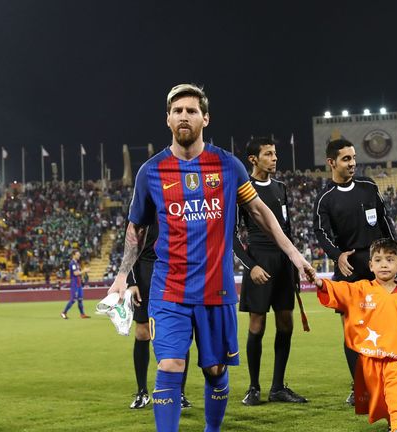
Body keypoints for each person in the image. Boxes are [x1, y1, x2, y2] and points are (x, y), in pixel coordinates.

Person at [107, 84, 315, 432]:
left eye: (191, 110)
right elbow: (136, 228)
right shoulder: (151, 171)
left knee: (215, 371)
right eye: (177, 111)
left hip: (215, 291)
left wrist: (294, 254)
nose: (183, 116)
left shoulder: (228, 165)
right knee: (171, 365)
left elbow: (259, 211)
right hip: (169, 288)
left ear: (206, 117)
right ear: (168, 119)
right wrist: (121, 274)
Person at [315, 238, 397, 432]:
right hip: (371, 358)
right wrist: (320, 282)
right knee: (382, 399)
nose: (384, 264)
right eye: (378, 260)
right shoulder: (361, 289)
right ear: (371, 265)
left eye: (390, 259)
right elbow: (340, 290)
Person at [313, 138, 395, 405]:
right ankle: (359, 385)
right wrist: (337, 256)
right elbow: (320, 232)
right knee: (352, 331)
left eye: (353, 158)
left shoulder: (369, 187)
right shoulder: (326, 199)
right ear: (331, 163)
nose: (352, 163)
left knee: (380, 328)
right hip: (349, 271)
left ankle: (384, 380)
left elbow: (384, 222)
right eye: (346, 159)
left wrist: (394, 255)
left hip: (377, 269)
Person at [235, 136, 307, 406]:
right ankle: (253, 387)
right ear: (253, 159)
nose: (275, 158)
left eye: (275, 153)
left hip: (283, 263)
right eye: (268, 154)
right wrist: (251, 265)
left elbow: (286, 230)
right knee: (257, 324)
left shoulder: (280, 188)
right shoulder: (243, 190)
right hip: (259, 260)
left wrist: (294, 263)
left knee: (285, 322)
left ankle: (278, 387)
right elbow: (232, 237)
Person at [127, 223, 192, 410]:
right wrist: (131, 281)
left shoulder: (177, 202)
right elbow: (130, 246)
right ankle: (142, 392)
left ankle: (179, 392)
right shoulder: (140, 208)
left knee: (179, 331)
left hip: (173, 272)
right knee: (142, 333)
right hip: (145, 273)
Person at [61, 250, 90, 319]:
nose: (79, 255)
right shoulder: (72, 263)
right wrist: (84, 271)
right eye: (77, 254)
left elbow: (78, 274)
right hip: (74, 284)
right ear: (73, 255)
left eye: (79, 254)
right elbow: (75, 273)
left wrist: (81, 277)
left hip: (78, 283)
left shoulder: (76, 263)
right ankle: (64, 312)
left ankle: (82, 314)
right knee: (73, 299)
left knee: (80, 299)